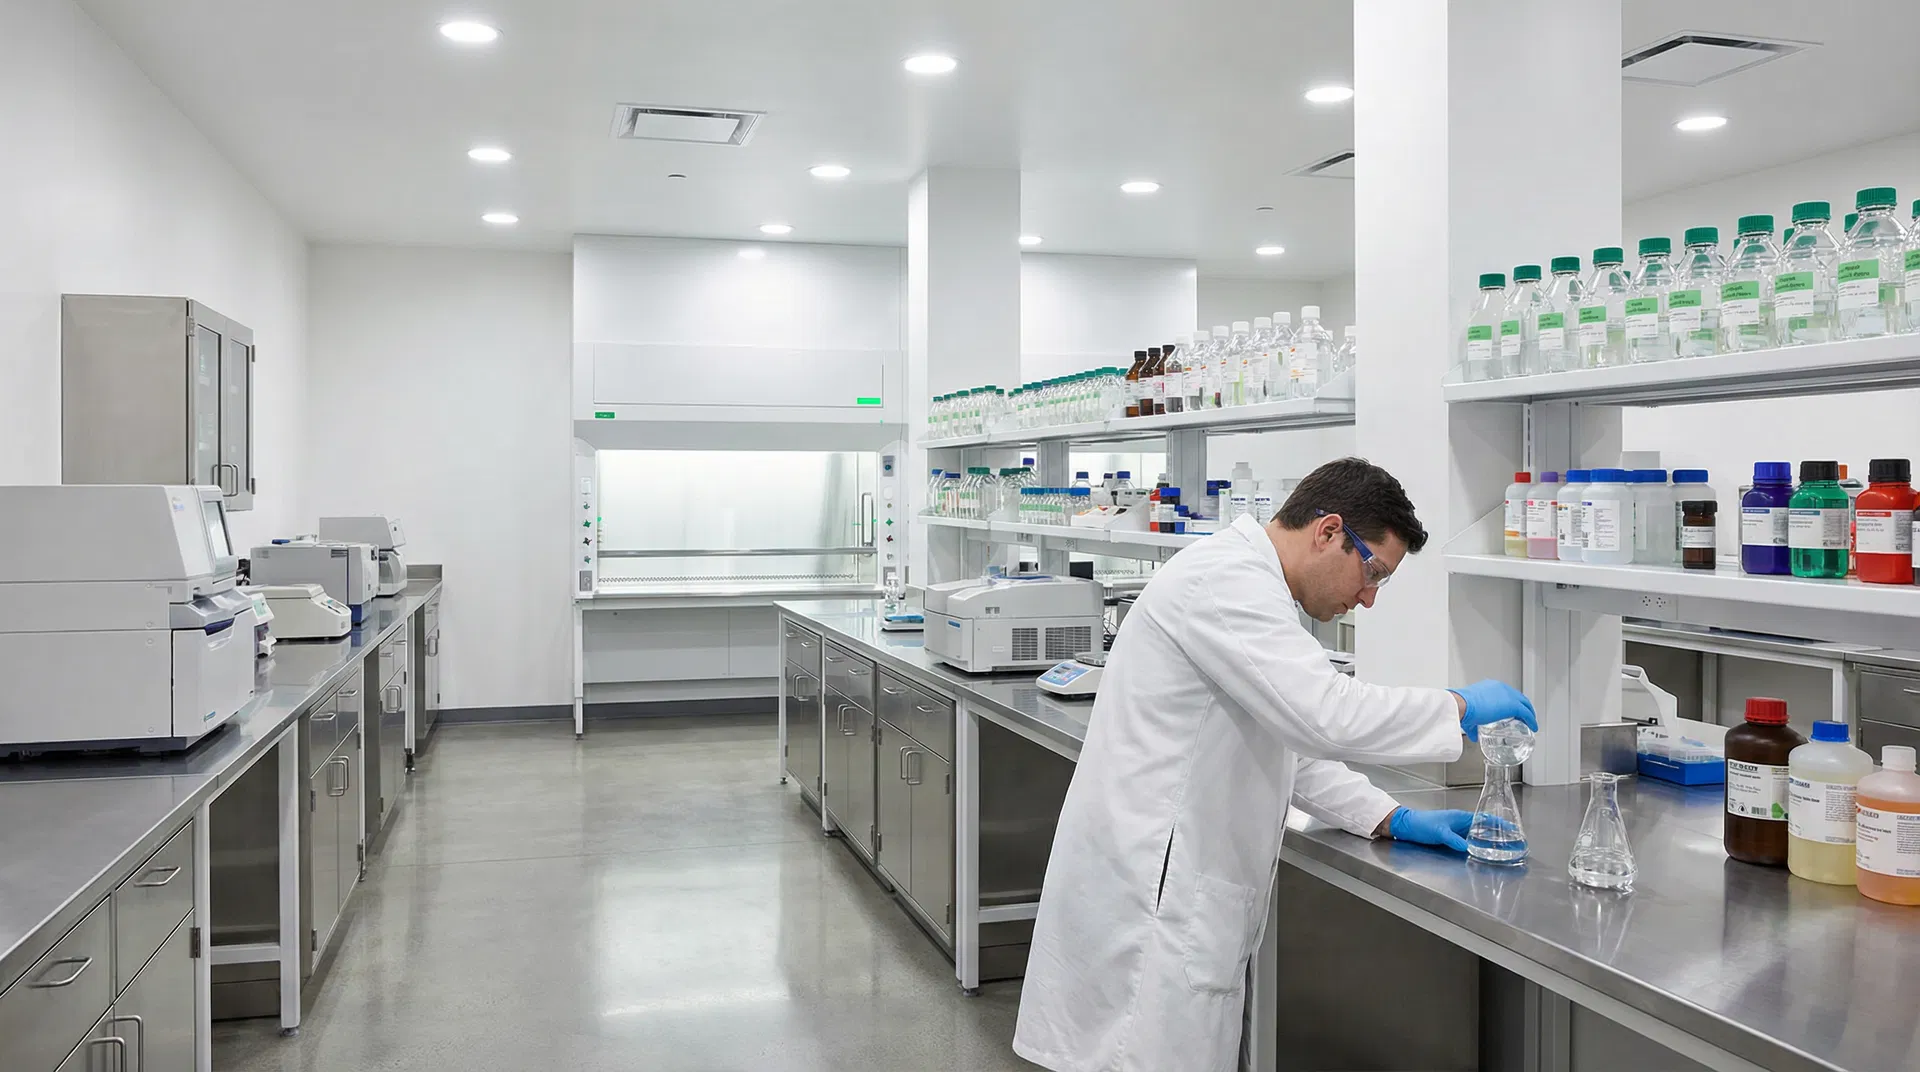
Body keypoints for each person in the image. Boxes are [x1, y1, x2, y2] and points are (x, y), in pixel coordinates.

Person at [1012, 457, 1536, 1072]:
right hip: (1153, 900)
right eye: (1373, 572)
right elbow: (1324, 715)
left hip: (1165, 886)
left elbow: (1288, 742)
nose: (1368, 598)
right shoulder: (1227, 583)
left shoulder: (1253, 589)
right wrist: (1458, 707)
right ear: (1329, 531)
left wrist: (1388, 816)